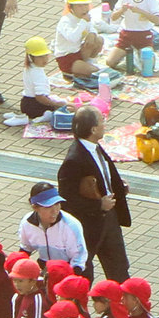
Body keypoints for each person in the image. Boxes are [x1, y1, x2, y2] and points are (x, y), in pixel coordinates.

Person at [56, 107, 132, 280]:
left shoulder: (95, 147)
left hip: (110, 221)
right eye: (102, 121)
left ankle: (120, 305)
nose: (105, 124)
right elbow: (67, 199)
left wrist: (119, 187)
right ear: (93, 129)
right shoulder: (74, 160)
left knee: (120, 271)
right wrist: (99, 205)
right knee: (83, 275)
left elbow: (104, 174)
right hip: (89, 227)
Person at [17, 182, 88, 275]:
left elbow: (79, 259)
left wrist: (68, 280)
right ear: (35, 207)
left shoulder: (71, 225)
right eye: (48, 207)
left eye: (57, 204)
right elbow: (25, 249)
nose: (55, 211)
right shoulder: (27, 223)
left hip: (73, 272)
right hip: (46, 271)